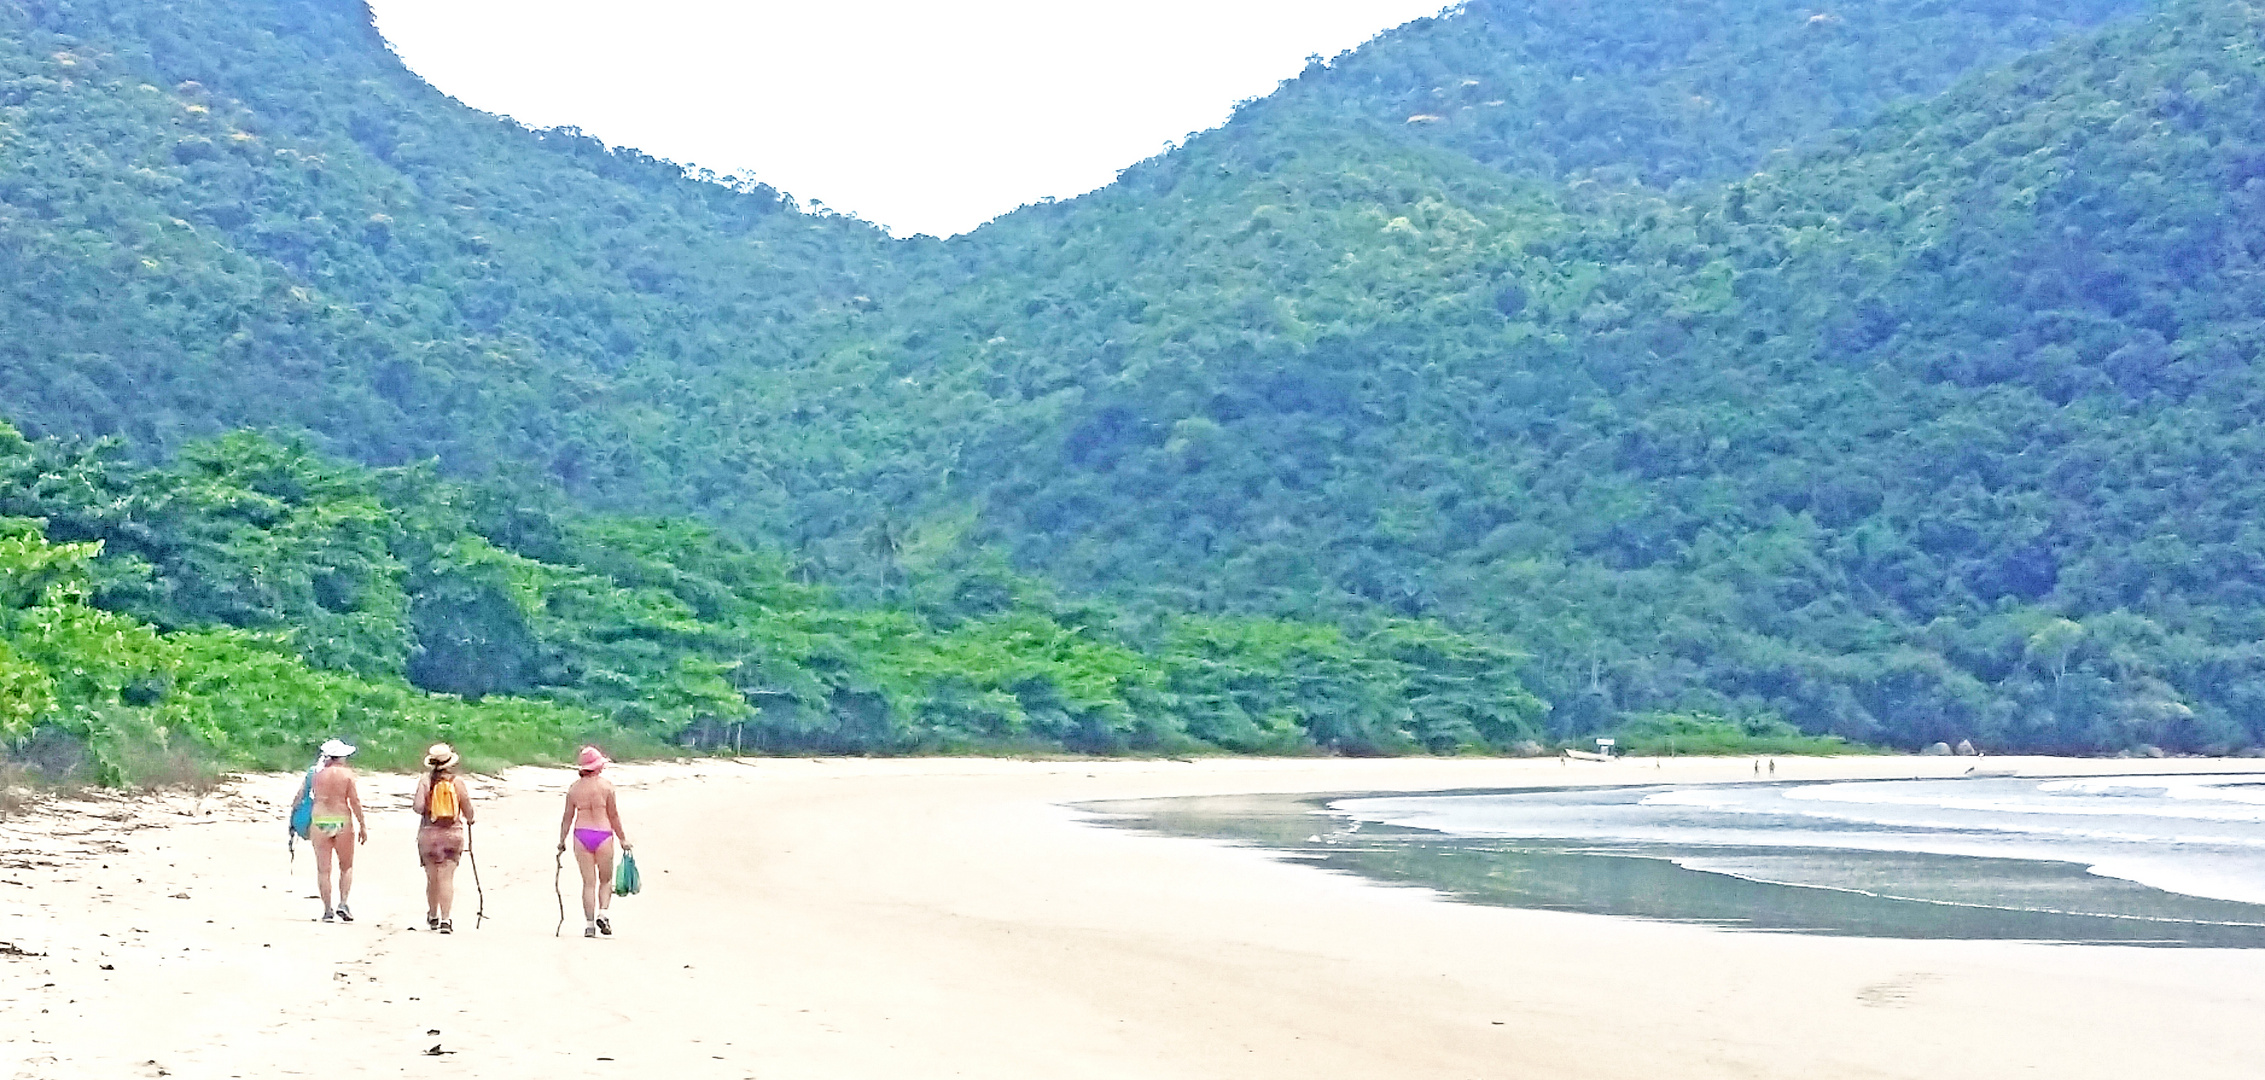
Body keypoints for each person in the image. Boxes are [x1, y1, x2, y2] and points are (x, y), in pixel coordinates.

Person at [557, 745, 633, 938]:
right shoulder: (606, 787)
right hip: (603, 834)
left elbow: (567, 817)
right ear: (598, 766)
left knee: (588, 883)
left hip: (581, 834)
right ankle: (603, 913)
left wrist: (561, 841)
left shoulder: (574, 789)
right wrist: (623, 839)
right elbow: (613, 816)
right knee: (605, 880)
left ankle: (589, 925)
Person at [296, 738, 367, 923]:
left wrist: (294, 821)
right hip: (341, 819)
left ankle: (327, 910)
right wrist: (362, 825)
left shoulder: (315, 774)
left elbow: (298, 798)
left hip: (319, 819)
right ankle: (343, 903)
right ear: (341, 757)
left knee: (323, 870)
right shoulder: (347, 775)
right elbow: (354, 801)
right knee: (346, 866)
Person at [413, 743, 474, 934]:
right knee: (447, 878)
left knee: (432, 878)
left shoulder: (425, 780)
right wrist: (470, 819)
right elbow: (467, 808)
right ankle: (446, 920)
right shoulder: (457, 782)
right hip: (452, 834)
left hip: (429, 834)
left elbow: (417, 807)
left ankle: (433, 915)